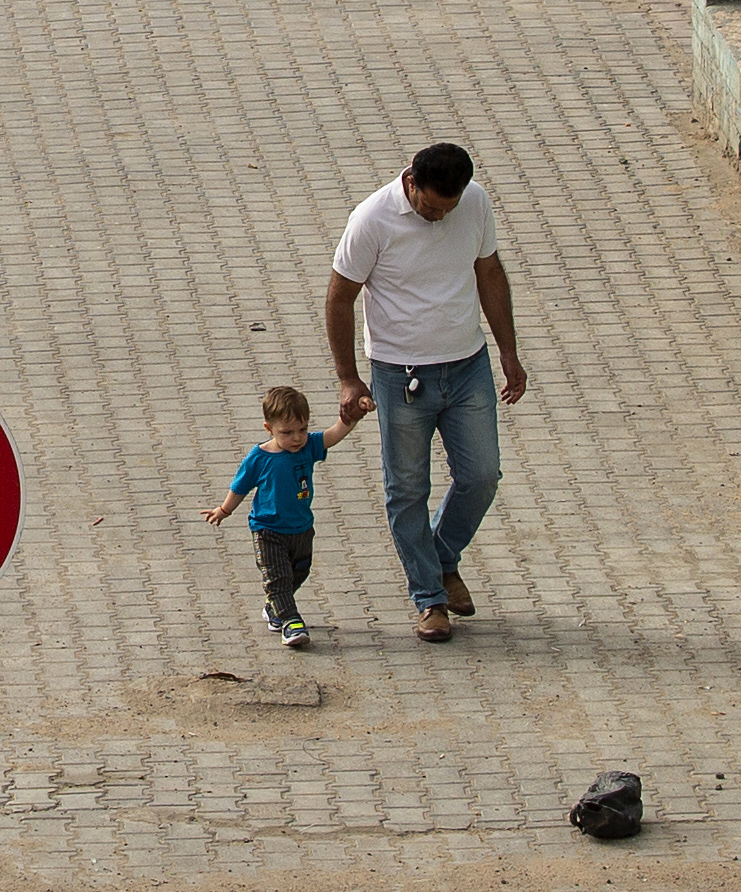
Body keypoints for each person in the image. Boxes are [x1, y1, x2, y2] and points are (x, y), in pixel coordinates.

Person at [327, 142, 528, 643]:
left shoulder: (474, 202)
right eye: (432, 207)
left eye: (449, 208)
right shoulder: (372, 220)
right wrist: (349, 377)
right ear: (410, 183)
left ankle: (440, 559)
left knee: (482, 475)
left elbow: (489, 272)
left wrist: (508, 350)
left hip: (467, 366)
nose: (440, 217)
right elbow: (339, 296)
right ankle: (430, 598)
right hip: (401, 375)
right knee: (408, 489)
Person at [204, 384, 329, 650]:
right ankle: (291, 622)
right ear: (268, 428)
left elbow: (334, 435)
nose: (296, 438)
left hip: (302, 528)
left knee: (299, 571)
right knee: (277, 578)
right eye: (287, 432)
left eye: (302, 430)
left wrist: (350, 418)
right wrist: (224, 510)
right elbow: (240, 486)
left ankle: (275, 607)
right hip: (268, 530)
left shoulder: (309, 448)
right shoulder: (259, 458)